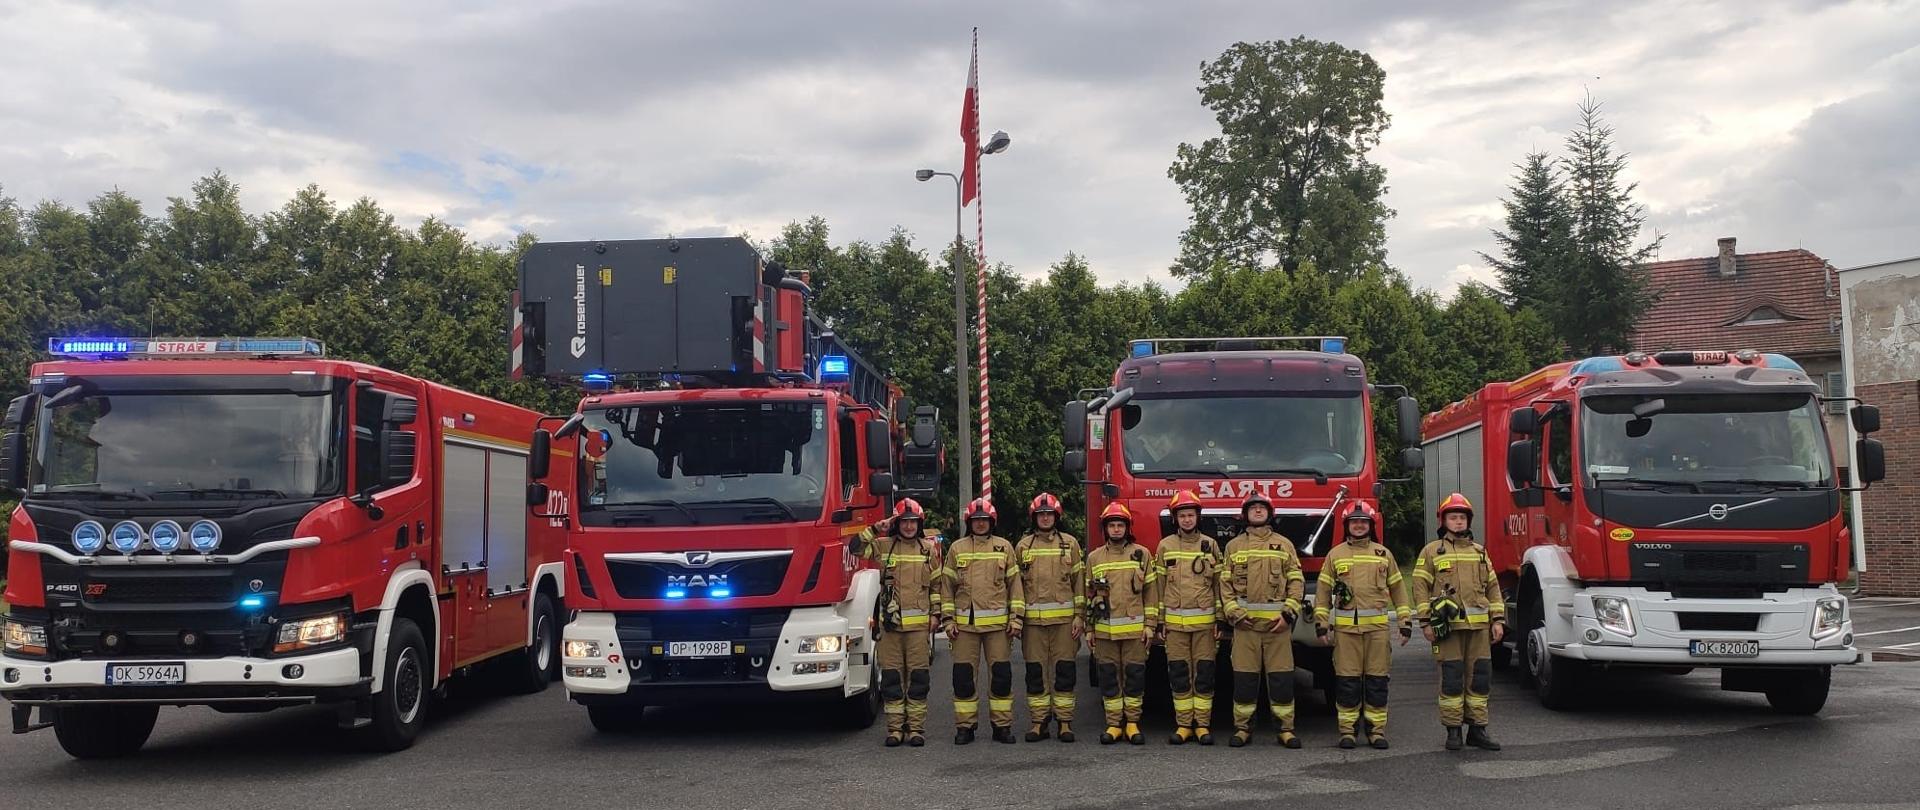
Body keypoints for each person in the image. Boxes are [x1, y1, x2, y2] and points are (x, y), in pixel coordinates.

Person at [1313, 500, 1412, 749]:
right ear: (1347, 525)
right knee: (1347, 682)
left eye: (1363, 522)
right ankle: (1347, 731)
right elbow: (1323, 593)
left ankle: (1376, 731)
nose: (1359, 526)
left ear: (1371, 525)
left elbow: (1399, 590)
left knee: (1377, 682)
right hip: (1346, 633)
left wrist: (1405, 621)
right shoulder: (1335, 555)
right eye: (1354, 522)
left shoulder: (1383, 554)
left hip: (1377, 632)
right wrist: (1321, 624)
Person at [1412, 493, 1506, 752]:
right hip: (1448, 629)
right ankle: (1453, 731)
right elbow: (1419, 588)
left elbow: (1493, 588)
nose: (1458, 522)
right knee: (1452, 679)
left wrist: (1497, 620)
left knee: (1480, 679)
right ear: (1443, 521)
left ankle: (1478, 730)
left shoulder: (1480, 553)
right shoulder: (1431, 551)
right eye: (1452, 517)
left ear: (1468, 521)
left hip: (1479, 630)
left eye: (1462, 517)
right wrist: (1425, 622)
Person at [851, 498, 945, 747]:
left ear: (919, 523)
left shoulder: (928, 550)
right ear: (897, 523)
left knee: (918, 680)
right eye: (904, 522)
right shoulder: (883, 546)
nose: (909, 526)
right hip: (890, 629)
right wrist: (875, 528)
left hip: (918, 629)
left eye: (913, 522)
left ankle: (916, 729)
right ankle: (894, 730)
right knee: (891, 679)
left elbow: (936, 586)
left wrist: (936, 615)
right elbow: (855, 548)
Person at [1220, 492, 1305, 748]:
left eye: (1262, 508)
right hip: (1245, 627)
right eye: (1253, 508)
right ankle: (1243, 729)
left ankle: (1285, 729)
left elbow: (1296, 581)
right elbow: (1225, 585)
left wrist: (1288, 614)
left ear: (1270, 513)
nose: (1257, 511)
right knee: (1245, 681)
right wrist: (1235, 614)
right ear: (1245, 514)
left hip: (1277, 628)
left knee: (1281, 680)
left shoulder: (1284, 545)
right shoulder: (1234, 546)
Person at [941, 497, 1024, 744]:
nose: (980, 524)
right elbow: (947, 588)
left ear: (992, 522)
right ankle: (965, 727)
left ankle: (1002, 726)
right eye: (976, 520)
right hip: (965, 626)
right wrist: (948, 619)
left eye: (984, 520)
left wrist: (1016, 619)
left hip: (998, 627)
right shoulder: (957, 548)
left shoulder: (1004, 547)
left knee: (1001, 677)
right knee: (963, 678)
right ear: (969, 522)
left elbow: (1015, 587)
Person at [1083, 503, 1160, 745]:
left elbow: (1151, 593)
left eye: (1120, 525)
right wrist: (1089, 628)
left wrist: (1150, 625)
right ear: (1105, 529)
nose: (1116, 529)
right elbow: (1088, 595)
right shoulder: (1094, 558)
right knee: (1108, 678)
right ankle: (1114, 724)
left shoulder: (1142, 554)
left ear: (1127, 528)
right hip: (1105, 633)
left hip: (1135, 632)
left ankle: (1133, 723)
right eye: (1112, 525)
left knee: (1134, 677)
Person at [1014, 492, 1085, 742]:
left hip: (1065, 624)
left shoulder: (1070, 544)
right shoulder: (1023, 547)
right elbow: (1016, 586)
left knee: (1064, 671)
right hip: (1033, 624)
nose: (1045, 518)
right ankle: (1039, 722)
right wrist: (1017, 619)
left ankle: (1065, 722)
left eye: (1049, 514)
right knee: (1035, 673)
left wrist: (1080, 616)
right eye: (1041, 515)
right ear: (1034, 518)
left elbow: (1079, 584)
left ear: (1057, 516)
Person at [1156, 490, 1222, 745]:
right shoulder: (1165, 546)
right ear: (1175, 519)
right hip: (1175, 626)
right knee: (1180, 674)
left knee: (1204, 674)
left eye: (1190, 515)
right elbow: (1158, 587)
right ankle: (1184, 725)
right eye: (1182, 515)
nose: (1186, 520)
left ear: (1198, 517)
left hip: (1205, 626)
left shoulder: (1210, 545)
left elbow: (1219, 585)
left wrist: (1220, 620)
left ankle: (1203, 725)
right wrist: (1160, 621)